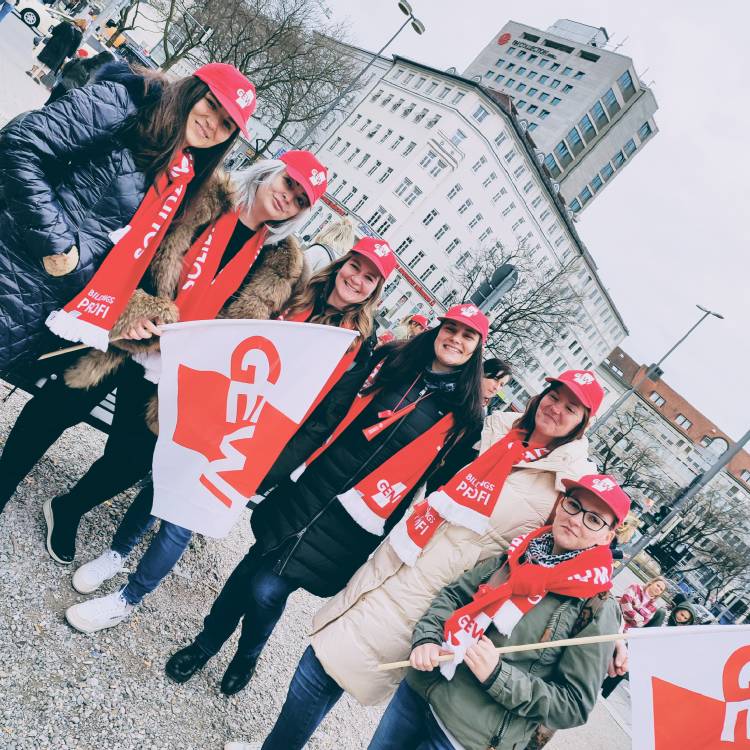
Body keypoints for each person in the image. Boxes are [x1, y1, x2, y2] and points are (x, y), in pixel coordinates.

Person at [226, 369, 606, 749]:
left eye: (571, 408)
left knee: (322, 670)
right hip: (401, 556)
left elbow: (584, 550)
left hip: (437, 592)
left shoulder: (570, 482)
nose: (556, 409)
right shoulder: (495, 430)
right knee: (325, 662)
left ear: (583, 423)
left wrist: (610, 635)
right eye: (554, 396)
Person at [0, 147, 324, 568]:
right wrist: (131, 310)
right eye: (288, 184)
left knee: (133, 459)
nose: (288, 198)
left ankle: (69, 508)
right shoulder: (206, 192)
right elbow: (140, 246)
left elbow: (245, 334)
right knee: (55, 408)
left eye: (300, 200)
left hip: (174, 366)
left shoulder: (281, 263)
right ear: (269, 173)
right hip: (128, 331)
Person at [64, 235, 398, 634]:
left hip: (258, 442)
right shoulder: (296, 296)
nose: (356, 279)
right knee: (163, 483)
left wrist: (273, 468)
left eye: (369, 278)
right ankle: (118, 553)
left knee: (183, 519)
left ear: (375, 291)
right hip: (224, 406)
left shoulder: (356, 347)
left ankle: (129, 598)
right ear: (343, 264)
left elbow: (322, 422)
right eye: (355, 267)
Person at [164, 304, 488, 697]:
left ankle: (243, 653)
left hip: (354, 518)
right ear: (437, 331)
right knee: (255, 563)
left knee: (268, 586)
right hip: (311, 485)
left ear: (476, 348)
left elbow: (440, 486)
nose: (455, 339)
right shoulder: (392, 361)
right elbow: (331, 408)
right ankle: (208, 645)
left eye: (466, 335)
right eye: (450, 328)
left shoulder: (466, 417)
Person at [0, 61, 253, 374]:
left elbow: (125, 256)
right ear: (191, 90)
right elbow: (21, 144)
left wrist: (132, 312)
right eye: (211, 105)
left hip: (39, 308)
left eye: (227, 124)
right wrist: (56, 243)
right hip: (14, 265)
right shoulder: (126, 105)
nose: (212, 124)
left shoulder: (182, 177)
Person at [367, 473, 630, 750]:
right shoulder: (520, 553)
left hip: (465, 736)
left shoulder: (596, 606)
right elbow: (455, 595)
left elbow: (573, 704)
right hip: (420, 691)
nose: (576, 520)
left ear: (608, 535)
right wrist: (427, 638)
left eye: (594, 519)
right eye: (574, 505)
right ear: (561, 504)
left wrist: (498, 676)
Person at [600, 575, 668, 698]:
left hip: (626, 633)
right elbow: (625, 602)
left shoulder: (654, 607)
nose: (658, 589)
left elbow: (641, 623)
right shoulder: (635, 587)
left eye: (661, 589)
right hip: (614, 620)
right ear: (652, 583)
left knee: (610, 656)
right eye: (658, 585)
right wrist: (637, 613)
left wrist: (634, 607)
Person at [45, 50, 115, 105]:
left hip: (61, 86)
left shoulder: (82, 60)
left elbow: (66, 67)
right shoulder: (96, 73)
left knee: (48, 107)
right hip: (71, 95)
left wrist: (64, 79)